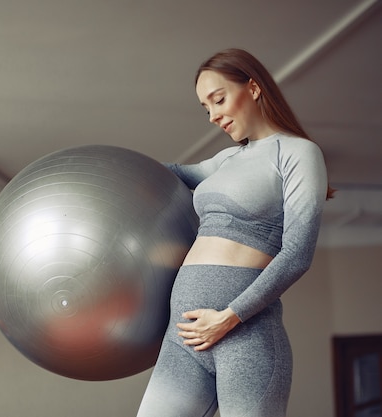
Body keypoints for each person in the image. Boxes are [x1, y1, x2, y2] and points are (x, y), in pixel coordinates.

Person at [136, 48, 333, 417]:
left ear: (254, 88)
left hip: (245, 336)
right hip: (185, 335)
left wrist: (228, 317)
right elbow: (169, 173)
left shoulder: (298, 154)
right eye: (205, 108)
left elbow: (297, 255)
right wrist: (106, 164)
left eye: (219, 100)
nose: (213, 116)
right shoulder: (225, 161)